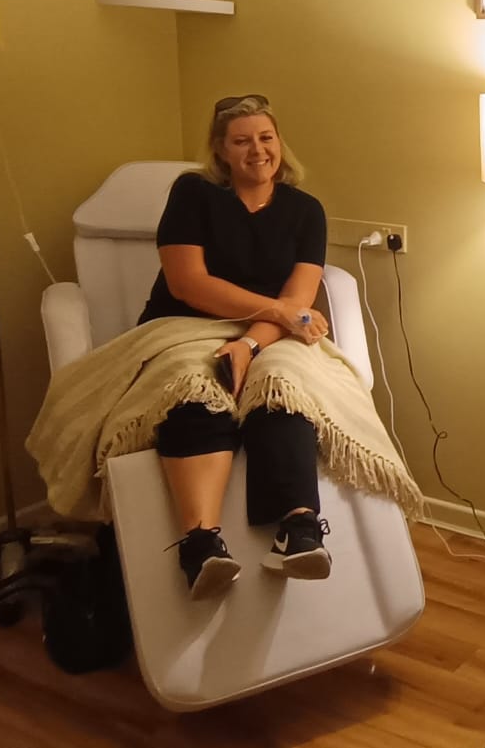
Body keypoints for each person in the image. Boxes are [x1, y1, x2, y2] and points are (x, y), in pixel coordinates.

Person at [140, 94, 336, 599]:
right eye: (242, 141)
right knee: (197, 388)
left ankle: (299, 530)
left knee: (281, 387)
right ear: (221, 150)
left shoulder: (305, 210)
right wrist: (276, 314)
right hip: (184, 324)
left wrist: (250, 341)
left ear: (280, 142)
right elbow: (188, 283)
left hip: (268, 333)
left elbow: (298, 300)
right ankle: (201, 544)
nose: (257, 150)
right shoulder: (193, 193)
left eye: (266, 137)